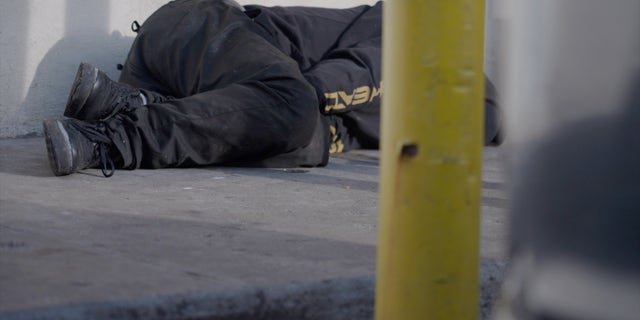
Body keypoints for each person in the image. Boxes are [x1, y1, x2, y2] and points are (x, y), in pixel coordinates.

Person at [43, 0, 502, 177]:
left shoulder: (379, 125)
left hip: (183, 78)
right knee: (296, 109)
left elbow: (314, 135)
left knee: (304, 140)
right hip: (195, 31)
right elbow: (322, 90)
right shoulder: (418, 42)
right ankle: (116, 138)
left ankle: (126, 104)